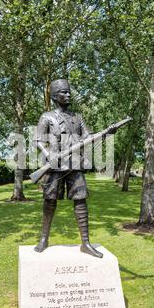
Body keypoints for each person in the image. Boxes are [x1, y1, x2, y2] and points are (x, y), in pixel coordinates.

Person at [34, 78, 103, 258]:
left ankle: (86, 243)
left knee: (80, 200)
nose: (68, 94)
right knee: (50, 201)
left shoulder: (77, 118)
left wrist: (105, 133)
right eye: (64, 92)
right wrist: (48, 154)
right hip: (54, 166)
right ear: (55, 96)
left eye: (69, 91)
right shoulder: (46, 117)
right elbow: (38, 141)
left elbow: (88, 137)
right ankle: (43, 239)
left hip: (74, 165)